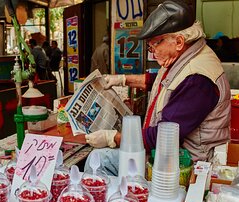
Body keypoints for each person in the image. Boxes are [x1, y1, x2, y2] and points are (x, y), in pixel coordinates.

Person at [85, 0, 231, 175]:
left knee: (100, 160)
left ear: (178, 41)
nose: (152, 52)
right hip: (169, 153)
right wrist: (122, 79)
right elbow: (164, 81)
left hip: (184, 165)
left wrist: (112, 138)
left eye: (155, 44)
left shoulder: (196, 79)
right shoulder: (188, 54)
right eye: (150, 46)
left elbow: (162, 137)